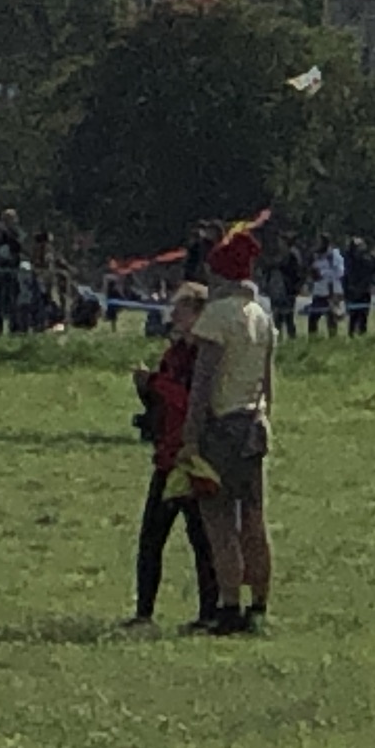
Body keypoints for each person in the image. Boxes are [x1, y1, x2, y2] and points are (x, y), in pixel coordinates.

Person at [180, 227, 278, 633]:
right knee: (254, 517)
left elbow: (203, 380)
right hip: (255, 423)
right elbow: (268, 380)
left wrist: (190, 432)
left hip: (221, 425)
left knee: (219, 518)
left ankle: (229, 606)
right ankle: (259, 605)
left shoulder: (216, 317)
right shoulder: (262, 317)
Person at [130, 281, 223, 628]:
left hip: (192, 455)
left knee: (201, 540)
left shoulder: (204, 356)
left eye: (180, 310)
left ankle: (209, 613)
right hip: (166, 455)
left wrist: (152, 383)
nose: (174, 317)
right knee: (151, 537)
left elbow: (188, 400)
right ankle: (144, 613)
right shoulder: (173, 354)